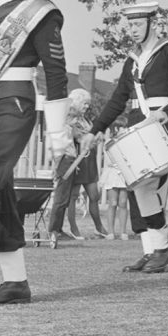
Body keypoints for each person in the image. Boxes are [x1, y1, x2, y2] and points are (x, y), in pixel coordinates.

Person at [0, 0, 69, 305]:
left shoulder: (40, 10)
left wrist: (57, 134)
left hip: (14, 103)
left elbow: (55, 74)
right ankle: (15, 281)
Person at [89, 1, 168, 273]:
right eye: (130, 25)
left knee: (147, 188)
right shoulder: (131, 61)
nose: (132, 30)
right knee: (138, 190)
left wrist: (167, 112)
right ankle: (151, 251)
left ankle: (162, 249)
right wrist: (95, 128)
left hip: (160, 125)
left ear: (153, 24)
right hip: (136, 126)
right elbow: (117, 100)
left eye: (137, 24)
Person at [47, 89, 105, 245]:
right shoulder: (68, 117)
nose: (86, 107)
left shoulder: (75, 118)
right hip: (64, 158)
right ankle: (53, 230)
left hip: (71, 157)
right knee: (61, 197)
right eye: (84, 103)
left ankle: (57, 230)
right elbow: (76, 136)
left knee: (64, 197)